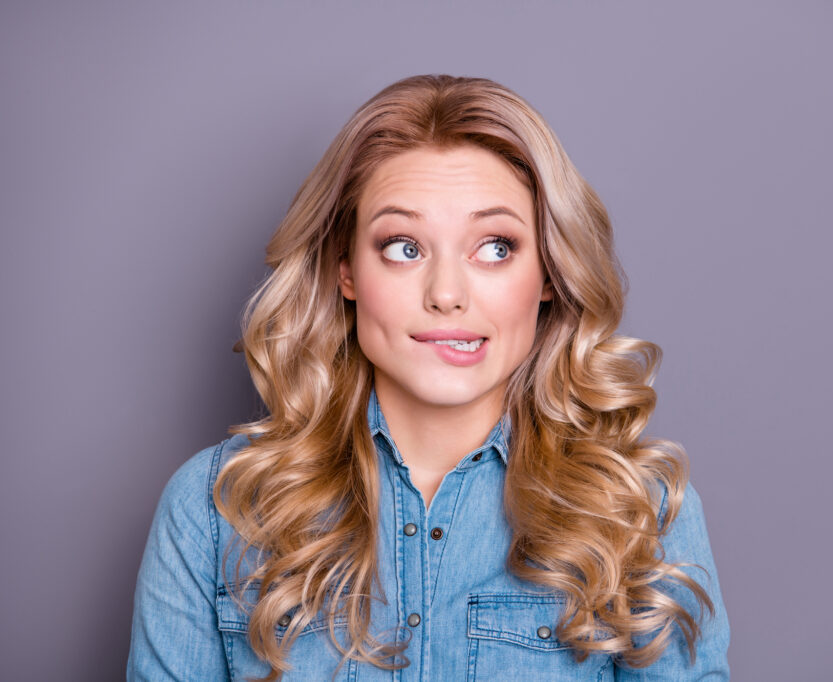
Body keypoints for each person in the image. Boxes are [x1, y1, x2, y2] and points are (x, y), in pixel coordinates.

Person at [128, 74, 730, 681]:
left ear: (549, 272)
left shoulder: (636, 512)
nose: (446, 295)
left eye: (494, 247)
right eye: (403, 247)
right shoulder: (215, 510)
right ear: (346, 271)